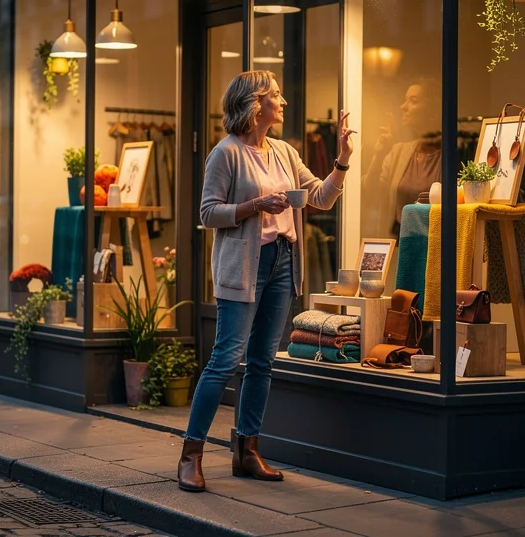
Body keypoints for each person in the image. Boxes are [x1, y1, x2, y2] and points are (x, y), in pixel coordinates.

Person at [177, 70, 356, 492]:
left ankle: (247, 451)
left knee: (262, 362)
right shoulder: (225, 153)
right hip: (244, 265)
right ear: (257, 104)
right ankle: (191, 454)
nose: (284, 102)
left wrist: (343, 159)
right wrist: (255, 205)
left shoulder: (284, 152)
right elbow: (207, 213)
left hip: (283, 262)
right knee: (225, 359)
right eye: (277, 95)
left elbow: (321, 197)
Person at [362, 77, 443, 238]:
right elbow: (368, 194)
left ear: (433, 110)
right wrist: (379, 155)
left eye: (413, 101)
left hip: (436, 248)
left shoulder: (449, 156)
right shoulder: (399, 152)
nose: (403, 107)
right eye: (405, 100)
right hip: (400, 247)